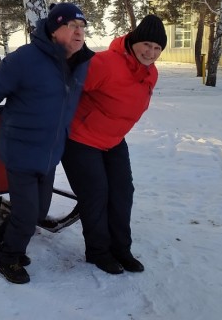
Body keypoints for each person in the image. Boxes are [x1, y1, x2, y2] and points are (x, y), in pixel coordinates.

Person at [0, 3, 94, 284]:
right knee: (26, 214)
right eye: (72, 26)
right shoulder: (25, 59)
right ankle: (9, 258)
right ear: (53, 31)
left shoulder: (81, 63)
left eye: (82, 27)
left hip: (50, 153)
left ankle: (2, 240)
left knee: (38, 211)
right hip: (21, 149)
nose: (79, 32)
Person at [61, 14, 167, 275]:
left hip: (114, 140)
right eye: (147, 45)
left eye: (157, 48)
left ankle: (121, 249)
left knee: (122, 193)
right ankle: (98, 252)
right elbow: (68, 89)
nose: (151, 52)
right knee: (96, 193)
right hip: (80, 138)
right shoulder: (106, 63)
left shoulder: (150, 73)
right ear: (134, 42)